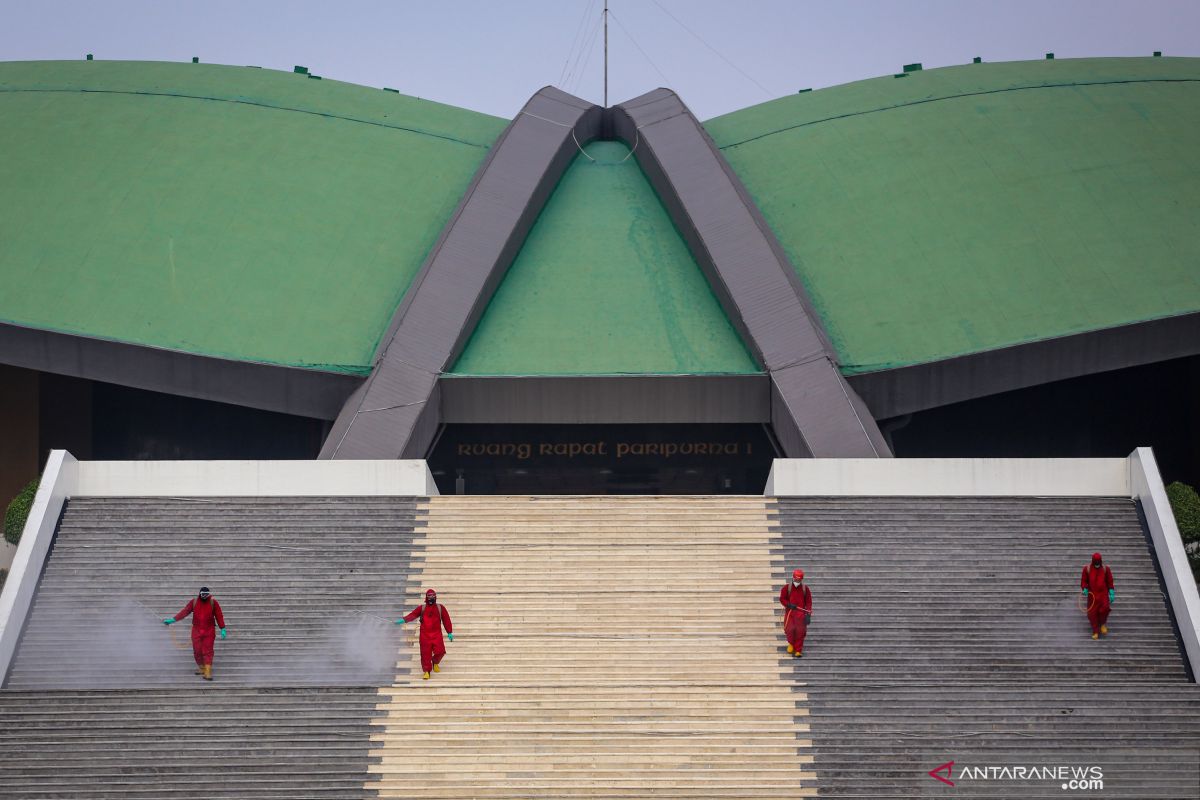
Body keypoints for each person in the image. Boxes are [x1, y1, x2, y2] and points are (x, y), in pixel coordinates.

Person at [164, 586, 226, 680]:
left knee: (208, 651)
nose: (205, 596)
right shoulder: (194, 602)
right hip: (196, 630)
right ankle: (201, 668)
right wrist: (173, 619)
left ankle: (208, 672)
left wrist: (222, 628)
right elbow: (185, 611)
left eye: (206, 594)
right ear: (200, 594)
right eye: (203, 594)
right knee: (197, 650)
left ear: (209, 594)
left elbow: (219, 615)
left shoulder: (213, 602)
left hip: (209, 631)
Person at [396, 588, 453, 680]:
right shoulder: (422, 608)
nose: (431, 598)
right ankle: (427, 671)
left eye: (433, 596)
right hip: (425, 635)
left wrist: (449, 632)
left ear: (436, 597)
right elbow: (413, 615)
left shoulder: (440, 608)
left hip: (436, 634)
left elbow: (446, 620)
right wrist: (403, 620)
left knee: (441, 651)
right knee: (425, 654)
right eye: (429, 596)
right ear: (426, 597)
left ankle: (435, 662)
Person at [1080, 552, 1115, 640]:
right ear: (1092, 561)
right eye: (1095, 563)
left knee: (1105, 608)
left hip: (1103, 595)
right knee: (1092, 614)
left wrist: (1111, 592)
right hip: (1093, 596)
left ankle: (1102, 624)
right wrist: (1084, 588)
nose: (1097, 565)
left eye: (1098, 563)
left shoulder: (1105, 569)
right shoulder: (1086, 569)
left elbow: (1109, 581)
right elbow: (1084, 580)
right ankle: (1095, 631)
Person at [779, 568, 812, 658]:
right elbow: (782, 599)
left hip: (801, 614)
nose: (797, 581)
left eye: (799, 579)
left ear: (802, 579)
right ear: (793, 578)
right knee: (789, 630)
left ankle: (798, 650)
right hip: (790, 613)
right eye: (796, 579)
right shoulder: (786, 588)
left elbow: (809, 602)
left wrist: (808, 613)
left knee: (800, 632)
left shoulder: (805, 589)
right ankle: (791, 644)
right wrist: (788, 604)